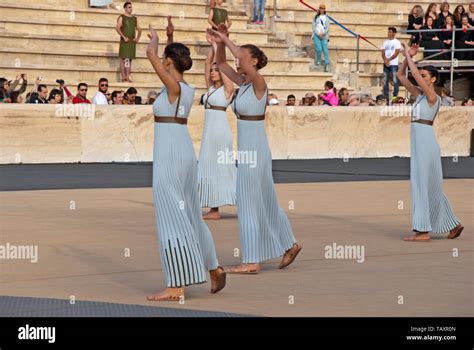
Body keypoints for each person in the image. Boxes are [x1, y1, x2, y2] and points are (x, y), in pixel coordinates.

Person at [209, 27, 302, 274]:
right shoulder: (244, 84)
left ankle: (251, 260)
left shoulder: (260, 83)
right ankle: (290, 243)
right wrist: (219, 43)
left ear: (253, 61)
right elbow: (221, 63)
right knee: (265, 201)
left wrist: (228, 39)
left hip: (255, 150)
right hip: (250, 149)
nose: (238, 62)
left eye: (243, 58)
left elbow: (239, 59)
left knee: (249, 202)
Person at [145, 24, 226, 301]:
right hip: (184, 152)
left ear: (168, 62)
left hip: (169, 155)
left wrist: (153, 45)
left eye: (164, 60)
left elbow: (152, 59)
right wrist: (168, 40)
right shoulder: (187, 89)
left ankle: (176, 285)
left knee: (170, 216)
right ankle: (214, 267)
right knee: (191, 213)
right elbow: (167, 70)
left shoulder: (173, 87)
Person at [396, 43, 463, 242]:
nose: (421, 78)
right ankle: (453, 224)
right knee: (430, 184)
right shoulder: (419, 96)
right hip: (420, 140)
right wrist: (406, 59)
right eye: (421, 75)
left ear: (433, 79)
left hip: (425, 140)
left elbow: (414, 75)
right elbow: (401, 76)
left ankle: (423, 231)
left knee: (420, 183)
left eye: (425, 76)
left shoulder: (433, 96)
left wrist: (409, 56)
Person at [197, 32, 237, 221]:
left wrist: (219, 48)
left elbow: (223, 66)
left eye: (216, 70)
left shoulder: (227, 90)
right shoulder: (211, 89)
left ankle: (220, 207)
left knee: (222, 167)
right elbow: (207, 64)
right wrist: (213, 45)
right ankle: (214, 209)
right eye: (212, 70)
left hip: (220, 133)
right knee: (210, 167)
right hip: (209, 132)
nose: (212, 71)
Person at [116, 2, 141, 82]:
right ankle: (123, 77)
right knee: (123, 59)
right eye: (129, 7)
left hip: (131, 41)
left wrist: (137, 38)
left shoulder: (134, 18)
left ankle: (127, 77)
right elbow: (117, 28)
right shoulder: (122, 17)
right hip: (124, 40)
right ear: (125, 8)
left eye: (131, 7)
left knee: (128, 59)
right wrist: (123, 37)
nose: (130, 9)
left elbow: (139, 29)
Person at [381, 27, 401, 98]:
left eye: (390, 32)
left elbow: (396, 53)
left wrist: (388, 60)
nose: (388, 33)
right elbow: (383, 53)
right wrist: (385, 60)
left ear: (394, 33)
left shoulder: (397, 42)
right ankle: (385, 96)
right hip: (386, 64)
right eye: (388, 32)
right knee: (385, 80)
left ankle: (395, 95)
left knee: (395, 79)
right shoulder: (385, 42)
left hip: (394, 64)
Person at [312, 4, 330, 72]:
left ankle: (326, 64)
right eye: (320, 8)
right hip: (317, 35)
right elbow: (313, 27)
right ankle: (318, 61)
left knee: (325, 50)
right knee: (319, 49)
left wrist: (323, 33)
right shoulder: (315, 17)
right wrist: (318, 33)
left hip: (324, 36)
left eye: (323, 8)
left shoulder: (327, 18)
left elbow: (328, 28)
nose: (321, 9)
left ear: (324, 9)